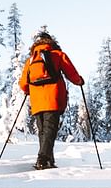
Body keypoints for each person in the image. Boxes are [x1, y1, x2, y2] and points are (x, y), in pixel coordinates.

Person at [18, 29, 84, 170]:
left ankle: (48, 161)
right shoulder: (57, 54)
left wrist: (30, 90)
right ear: (51, 42)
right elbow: (71, 73)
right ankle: (42, 159)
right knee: (50, 130)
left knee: (43, 131)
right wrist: (79, 81)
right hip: (53, 98)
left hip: (36, 102)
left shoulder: (30, 60)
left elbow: (23, 84)